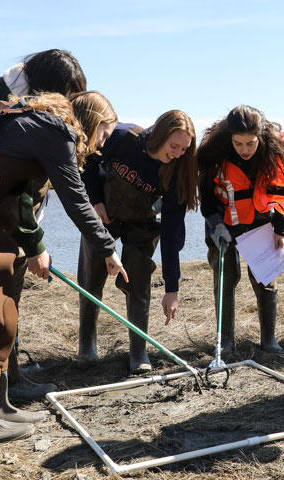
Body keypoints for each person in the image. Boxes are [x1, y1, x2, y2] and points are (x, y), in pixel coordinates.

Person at [0, 91, 127, 443]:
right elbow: (75, 198)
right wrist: (108, 248)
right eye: (104, 134)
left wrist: (34, 247)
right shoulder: (57, 132)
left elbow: (24, 198)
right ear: (90, 122)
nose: (102, 144)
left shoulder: (33, 126)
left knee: (2, 311)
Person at [0, 49, 88, 400]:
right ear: (52, 87)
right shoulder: (18, 109)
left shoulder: (8, 96)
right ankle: (0, 386)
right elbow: (19, 191)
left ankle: (4, 378)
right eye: (67, 94)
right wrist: (35, 246)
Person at [77, 110, 198, 374]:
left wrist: (172, 287)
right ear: (158, 136)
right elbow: (86, 163)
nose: (178, 153)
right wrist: (95, 200)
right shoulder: (122, 137)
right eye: (174, 146)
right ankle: (86, 344)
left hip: (143, 222)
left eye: (184, 149)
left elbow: (171, 233)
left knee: (139, 280)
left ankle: (138, 350)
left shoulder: (177, 171)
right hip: (104, 213)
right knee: (91, 276)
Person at [197, 105, 284, 358]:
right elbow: (206, 195)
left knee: (266, 280)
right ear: (229, 137)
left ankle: (269, 341)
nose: (245, 149)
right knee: (225, 279)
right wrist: (216, 224)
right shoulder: (213, 153)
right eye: (238, 143)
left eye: (250, 143)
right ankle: (225, 342)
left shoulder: (275, 153)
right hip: (223, 224)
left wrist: (280, 230)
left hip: (260, 224)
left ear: (260, 137)